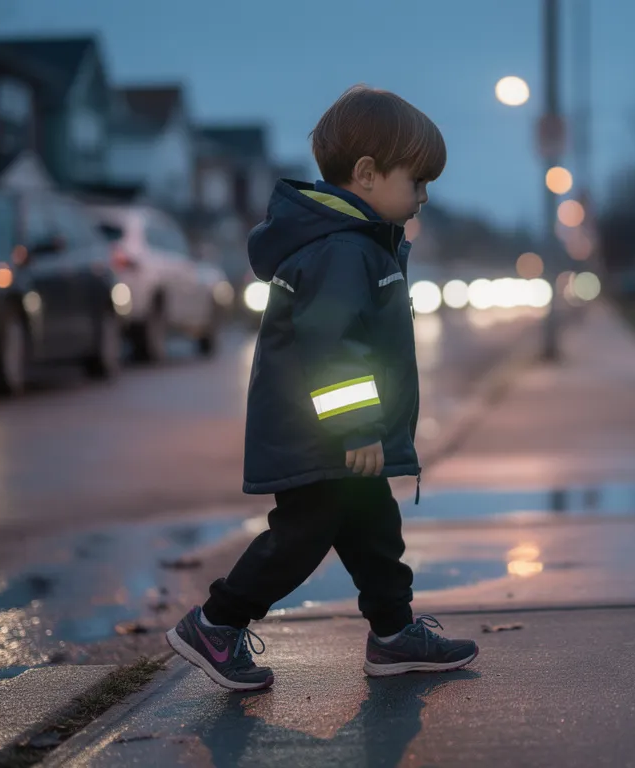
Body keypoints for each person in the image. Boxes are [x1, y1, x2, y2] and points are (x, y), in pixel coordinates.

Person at [166, 85, 478, 691]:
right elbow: (332, 346)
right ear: (367, 174)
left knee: (375, 531)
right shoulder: (341, 249)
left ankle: (393, 634)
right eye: (416, 181)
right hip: (323, 436)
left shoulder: (357, 242)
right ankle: (216, 623)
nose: (423, 197)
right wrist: (357, 426)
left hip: (334, 436)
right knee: (302, 537)